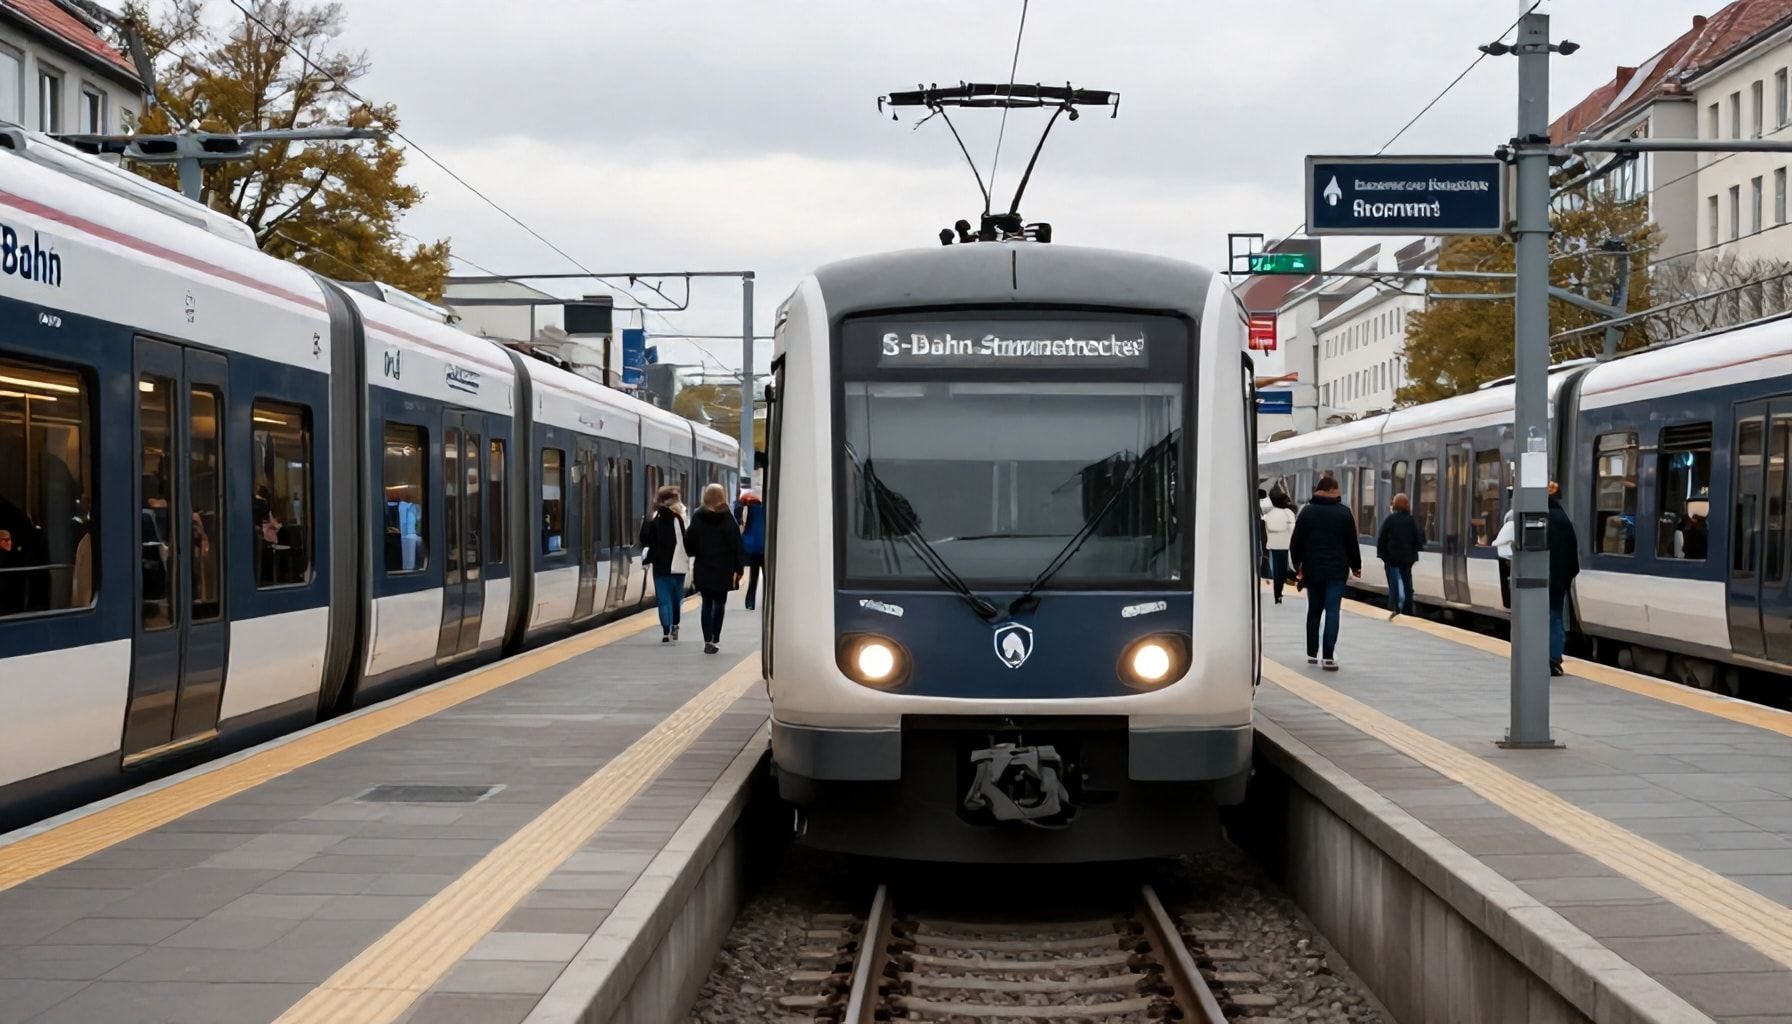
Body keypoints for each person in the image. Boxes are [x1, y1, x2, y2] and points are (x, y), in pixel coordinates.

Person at [1289, 476, 1361, 671]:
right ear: (1330, 490)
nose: (1339, 494)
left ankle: (1312, 653)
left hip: (1313, 570)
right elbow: (1351, 544)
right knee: (1332, 611)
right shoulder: (1344, 513)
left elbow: (1296, 542)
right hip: (1337, 571)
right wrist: (1356, 566)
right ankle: (1328, 656)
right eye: (1337, 490)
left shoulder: (1307, 512)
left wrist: (1297, 564)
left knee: (1314, 611)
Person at [684, 483, 744, 654]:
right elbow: (736, 545)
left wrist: (696, 552)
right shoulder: (728, 517)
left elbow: (689, 543)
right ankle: (715, 638)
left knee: (706, 604)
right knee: (720, 603)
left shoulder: (697, 516)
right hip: (723, 569)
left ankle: (707, 639)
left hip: (703, 568)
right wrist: (739, 569)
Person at [639, 486, 690, 642]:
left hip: (660, 565)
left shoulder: (653, 518)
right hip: (678, 564)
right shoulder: (681, 517)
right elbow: (686, 541)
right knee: (676, 597)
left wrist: (649, 558)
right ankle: (675, 625)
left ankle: (666, 630)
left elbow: (645, 540)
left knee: (664, 599)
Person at [1547, 480, 1580, 677]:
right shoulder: (1562, 518)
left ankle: (1547, 658)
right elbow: (1572, 554)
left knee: (1547, 618)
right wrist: (1566, 578)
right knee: (1555, 617)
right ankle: (1554, 659)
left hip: (1542, 579)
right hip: (1559, 580)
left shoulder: (1544, 517)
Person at [1376, 493, 1422, 619]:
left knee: (1394, 585)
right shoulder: (1411, 520)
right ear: (1407, 505)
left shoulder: (1389, 519)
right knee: (1407, 585)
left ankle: (1394, 609)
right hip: (1407, 560)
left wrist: (1382, 555)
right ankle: (1407, 610)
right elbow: (1419, 540)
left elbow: (1381, 539)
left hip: (1392, 560)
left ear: (1394, 504)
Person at [1261, 489, 1297, 604]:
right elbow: (1292, 530)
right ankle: (1279, 591)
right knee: (1281, 570)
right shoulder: (1289, 513)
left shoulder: (1269, 513)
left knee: (1275, 570)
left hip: (1273, 545)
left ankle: (1277, 592)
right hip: (1285, 546)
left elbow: (1265, 527)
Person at [735, 487, 767, 611]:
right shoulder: (764, 509)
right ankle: (767, 601)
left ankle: (750, 602)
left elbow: (742, 526)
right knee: (767, 577)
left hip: (752, 548)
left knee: (753, 578)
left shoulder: (747, 510)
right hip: (765, 547)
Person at [1492, 502, 1516, 609]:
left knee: (1505, 583)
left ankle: (1508, 603)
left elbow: (1496, 542)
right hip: (1508, 557)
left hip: (1505, 558)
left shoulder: (1509, 526)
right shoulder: (1512, 526)